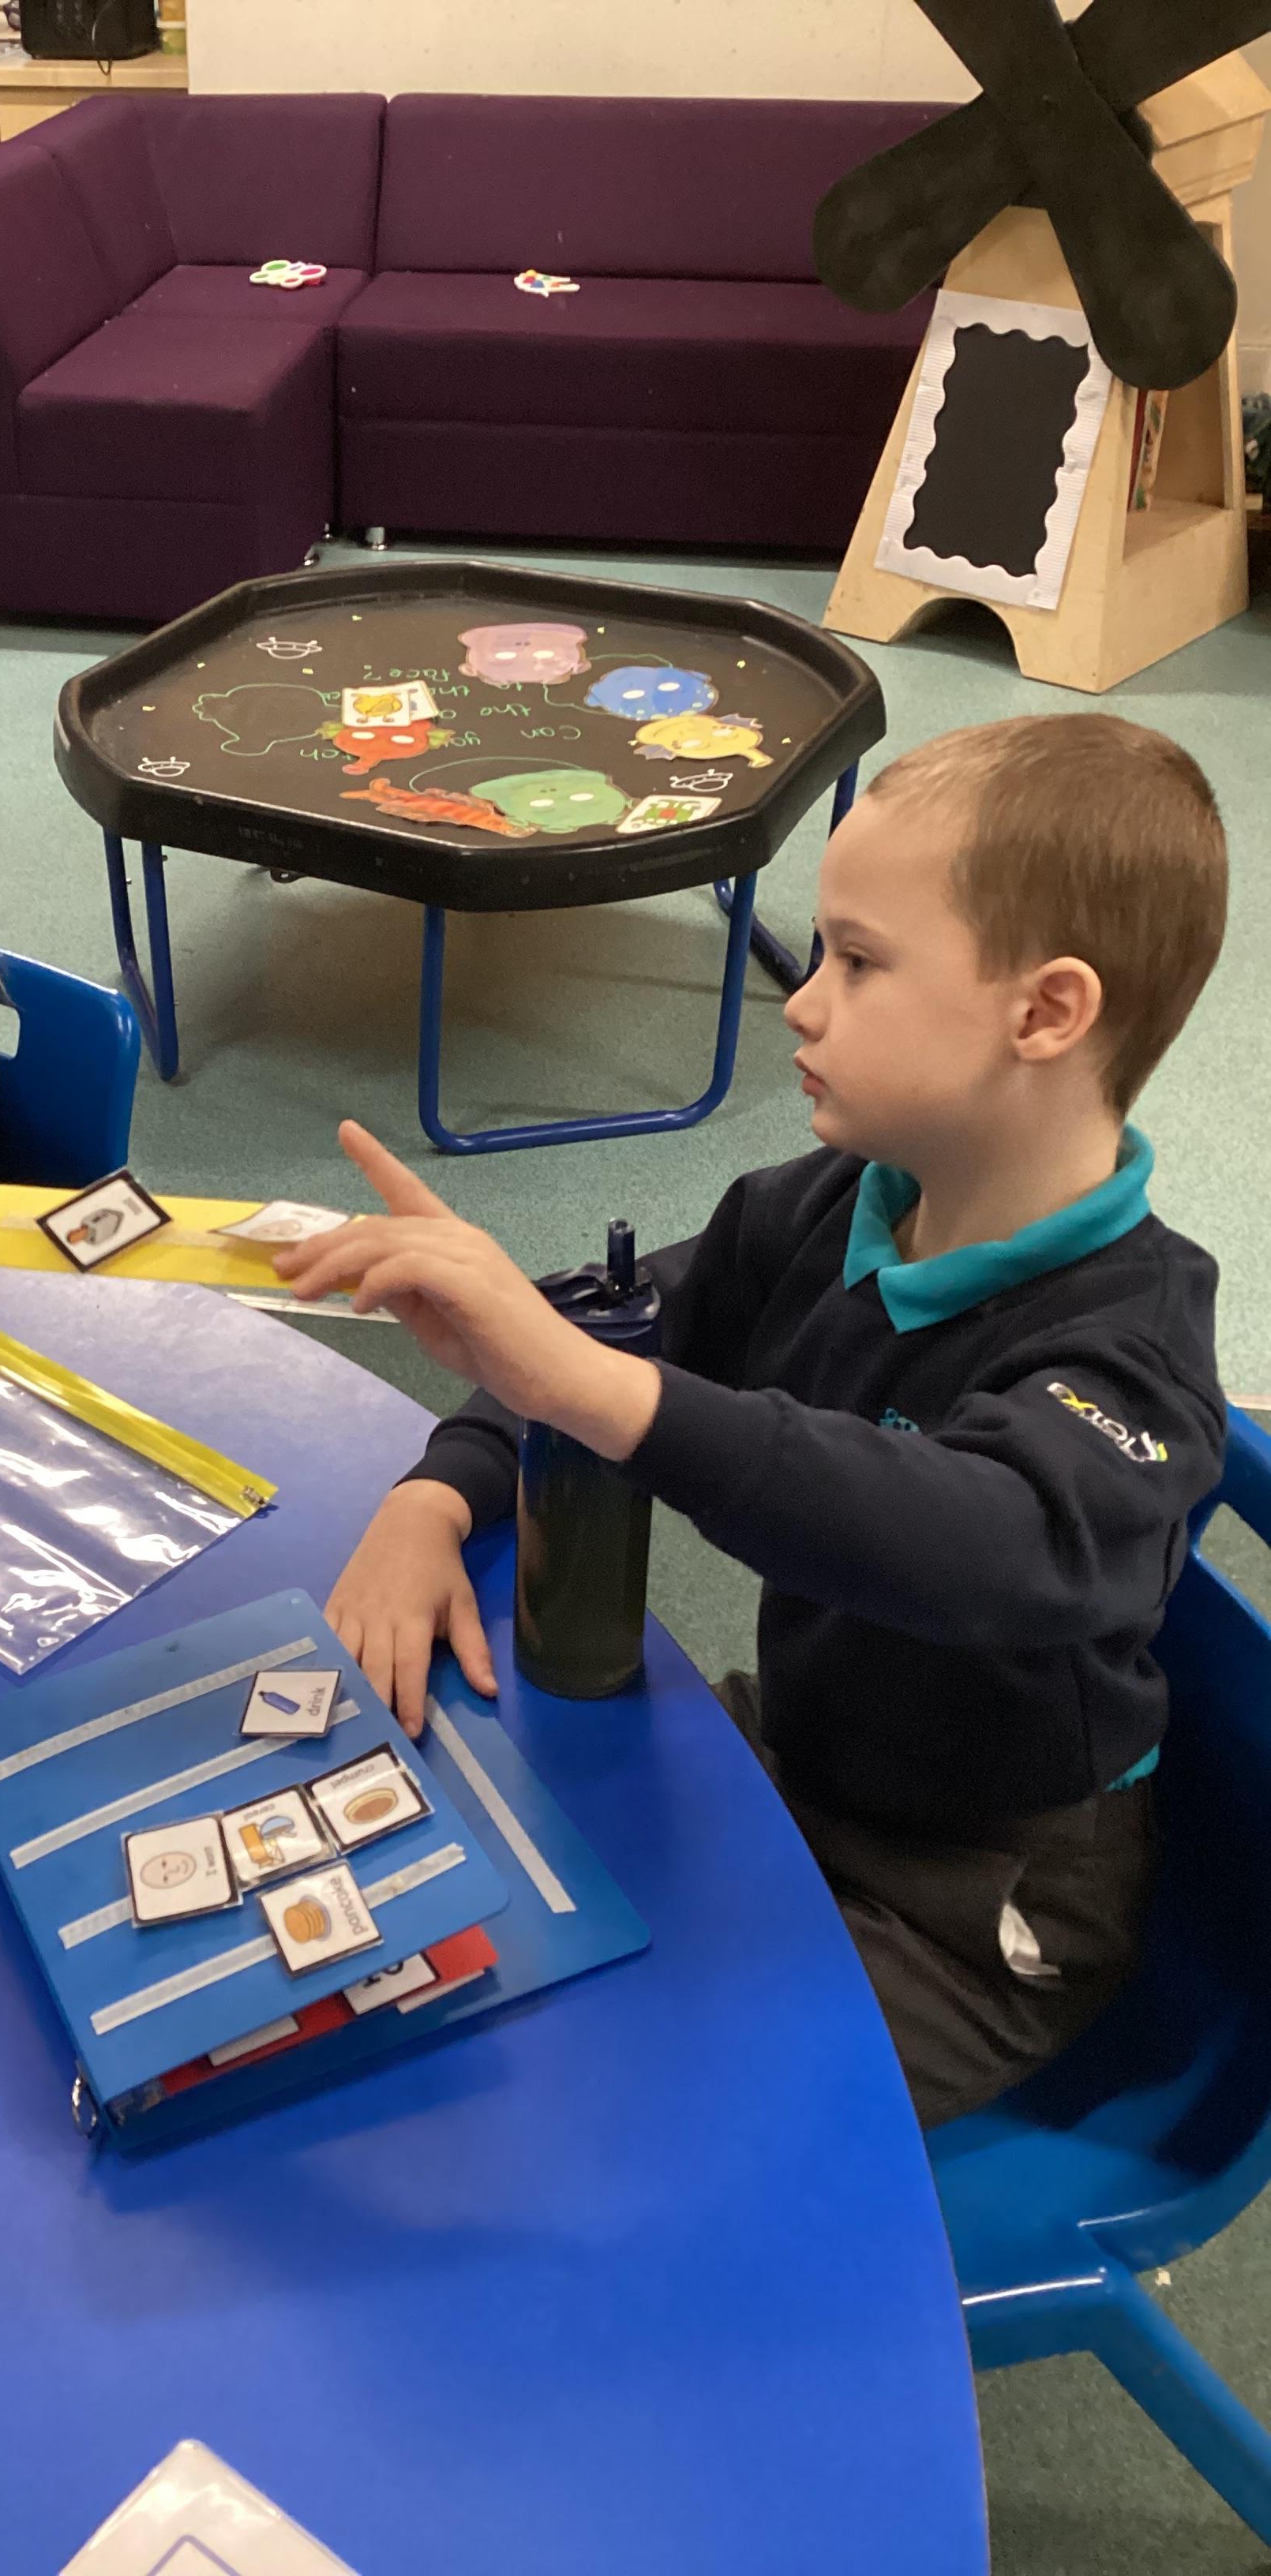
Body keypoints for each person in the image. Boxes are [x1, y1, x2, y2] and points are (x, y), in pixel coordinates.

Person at [277, 714, 1229, 2129]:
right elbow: (605, 1326)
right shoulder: (835, 1202)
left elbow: (987, 1543)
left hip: (969, 1911)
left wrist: (587, 1385)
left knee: (620, 2105)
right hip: (801, 1763)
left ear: (1044, 1014)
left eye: (859, 961)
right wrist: (443, 1486)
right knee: (458, 1863)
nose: (801, 1001)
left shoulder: (1135, 1345)